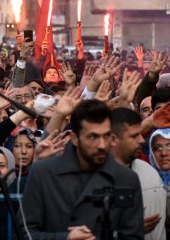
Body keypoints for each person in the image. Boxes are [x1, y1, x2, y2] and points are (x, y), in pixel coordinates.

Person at [20, 99, 144, 239]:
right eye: (93, 137)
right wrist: (65, 238)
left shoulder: (126, 179)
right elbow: (24, 234)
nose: (102, 145)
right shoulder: (43, 173)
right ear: (74, 138)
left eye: (106, 136)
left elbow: (133, 236)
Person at [110, 108, 166, 240]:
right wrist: (126, 232)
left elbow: (168, 214)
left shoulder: (149, 170)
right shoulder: (95, 177)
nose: (142, 140)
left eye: (140, 134)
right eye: (135, 136)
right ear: (113, 139)